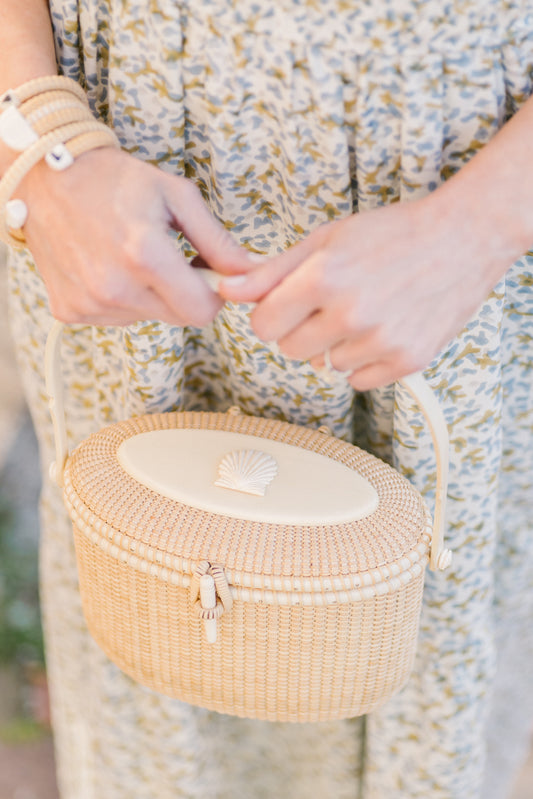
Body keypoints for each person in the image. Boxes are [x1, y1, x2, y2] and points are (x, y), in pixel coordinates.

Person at [1, 1, 532, 797]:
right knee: (140, 622)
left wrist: (484, 220)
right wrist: (38, 141)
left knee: (432, 646)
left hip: (454, 204)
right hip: (113, 182)